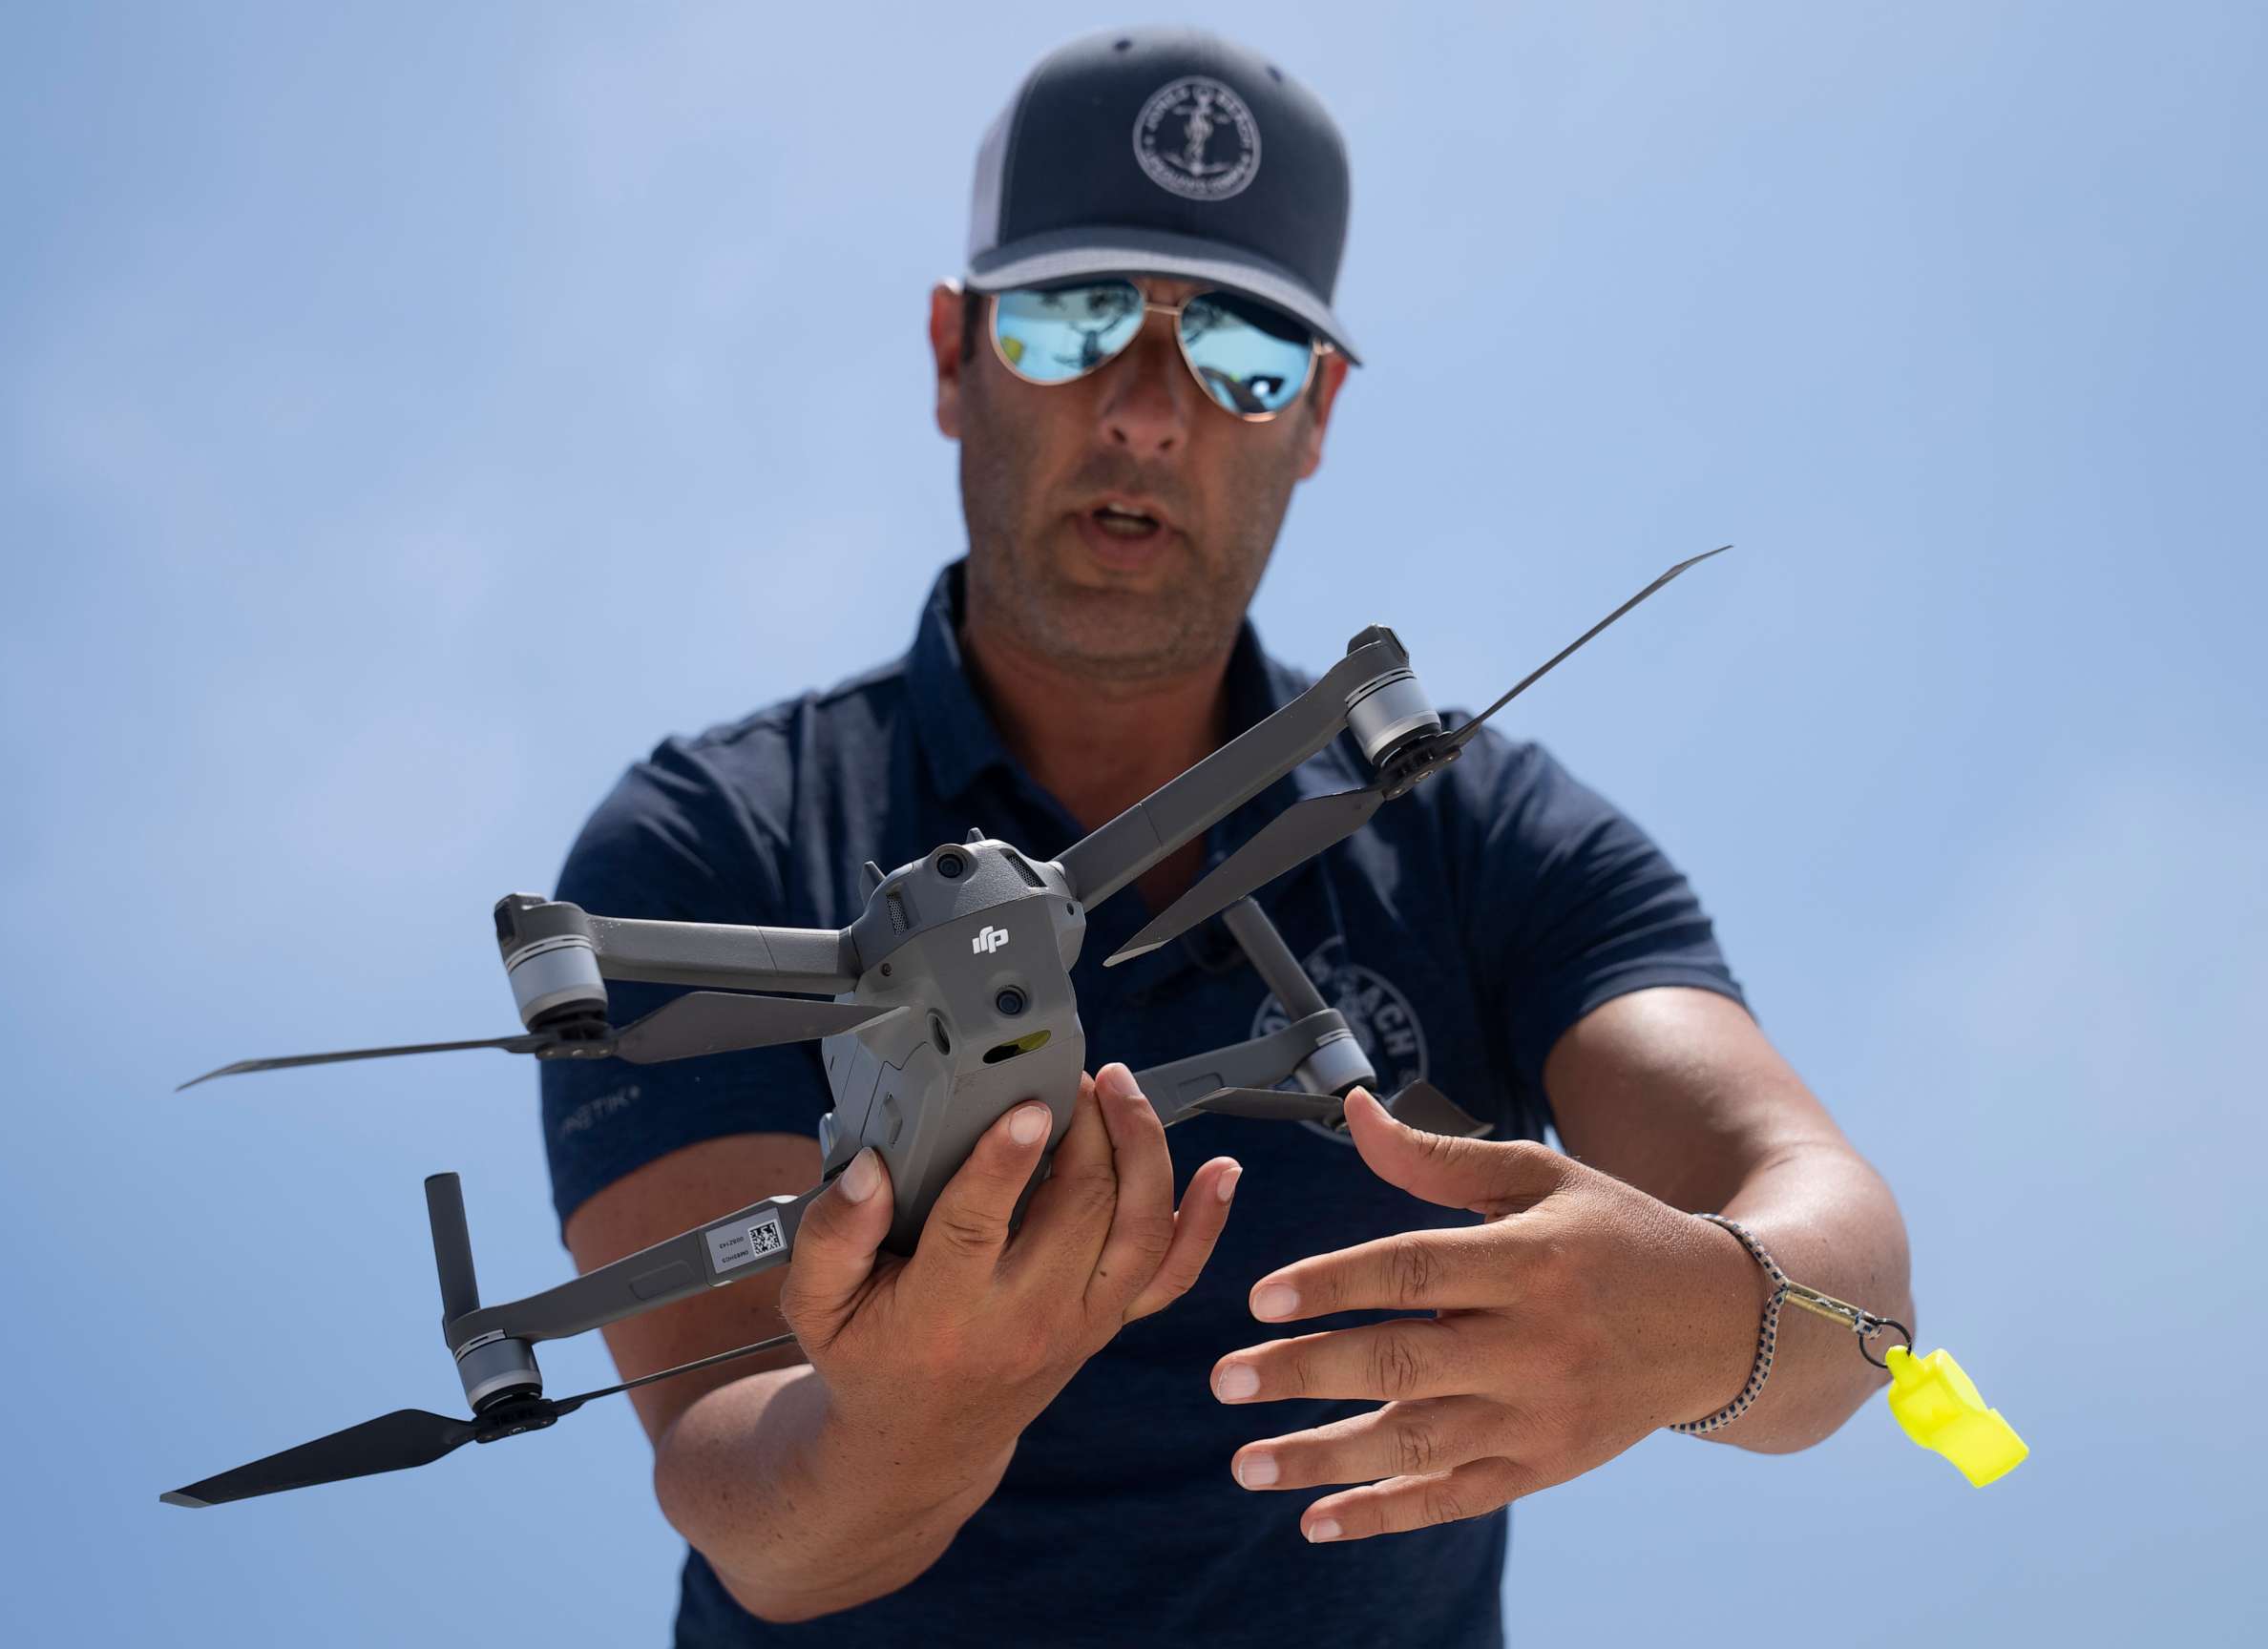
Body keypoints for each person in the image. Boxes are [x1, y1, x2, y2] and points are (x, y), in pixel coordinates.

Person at [541, 25, 1911, 1647]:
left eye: (1244, 355)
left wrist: (1704, 1320)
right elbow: (757, 1516)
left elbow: (1853, 1279)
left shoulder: (1489, 835)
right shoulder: (715, 845)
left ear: (1317, 413)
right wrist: (918, 1416)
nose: (1147, 412)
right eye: (1070, 323)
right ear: (950, 351)